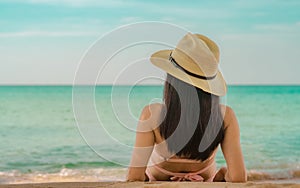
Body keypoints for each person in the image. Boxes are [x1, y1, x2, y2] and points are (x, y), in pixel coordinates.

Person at [126, 33, 247, 182]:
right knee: (223, 170)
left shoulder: (152, 114)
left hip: (160, 179)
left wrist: (146, 179)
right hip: (204, 179)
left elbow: (134, 177)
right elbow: (238, 178)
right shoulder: (225, 116)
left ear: (172, 79)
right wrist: (222, 175)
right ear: (209, 85)